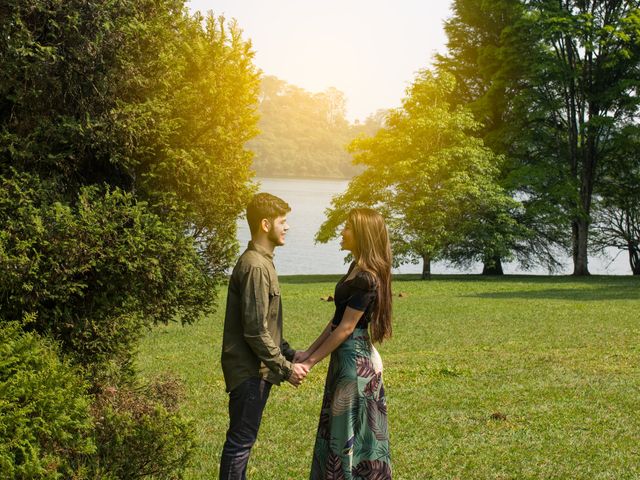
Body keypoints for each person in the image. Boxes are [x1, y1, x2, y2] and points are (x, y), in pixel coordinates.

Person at [297, 208, 393, 480]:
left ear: (362, 234)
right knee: (338, 433)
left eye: (348, 227)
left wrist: (310, 363)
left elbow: (347, 328)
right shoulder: (355, 270)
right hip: (345, 360)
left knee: (346, 438)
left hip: (356, 364)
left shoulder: (367, 278)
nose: (342, 232)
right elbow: (336, 321)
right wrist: (308, 353)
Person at [219, 192, 309, 480]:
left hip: (256, 369)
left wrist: (292, 353)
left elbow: (265, 325)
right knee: (240, 443)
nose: (288, 227)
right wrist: (285, 369)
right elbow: (255, 331)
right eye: (283, 222)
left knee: (242, 442)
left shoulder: (263, 262)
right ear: (266, 224)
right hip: (250, 373)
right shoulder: (256, 266)